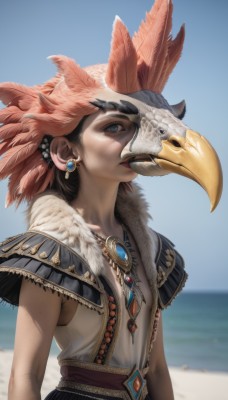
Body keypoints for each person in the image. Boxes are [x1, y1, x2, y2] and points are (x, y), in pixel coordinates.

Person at [0, 0, 222, 399]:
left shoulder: (150, 249)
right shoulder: (49, 254)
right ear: (68, 153)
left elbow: (156, 371)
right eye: (115, 126)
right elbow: (25, 377)